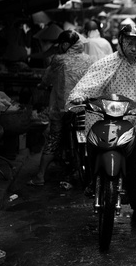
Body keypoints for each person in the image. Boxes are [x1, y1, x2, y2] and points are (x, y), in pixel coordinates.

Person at [68, 23, 136, 224]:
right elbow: (89, 82)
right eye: (129, 41)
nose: (133, 46)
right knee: (92, 143)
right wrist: (78, 95)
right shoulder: (107, 62)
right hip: (110, 119)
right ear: (120, 41)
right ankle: (94, 179)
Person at [27, 30, 94, 186]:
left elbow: (47, 78)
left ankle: (40, 176)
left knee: (54, 139)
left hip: (62, 108)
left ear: (64, 44)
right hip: (84, 107)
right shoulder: (89, 59)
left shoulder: (58, 60)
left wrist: (42, 85)